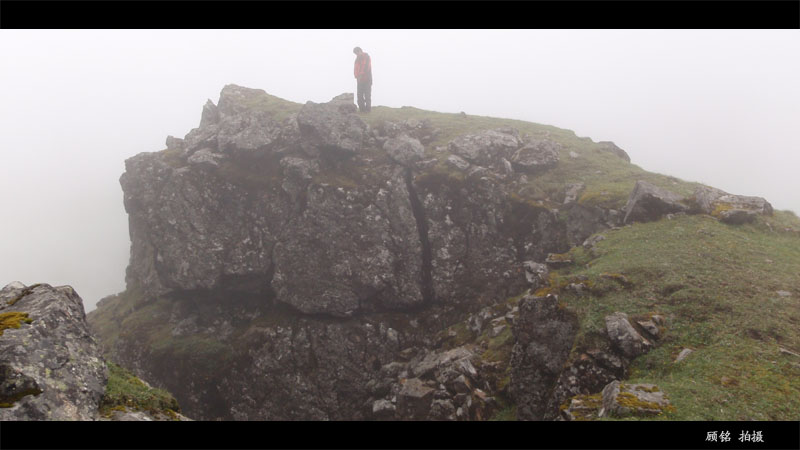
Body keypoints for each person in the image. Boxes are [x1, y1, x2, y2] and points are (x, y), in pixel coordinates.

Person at [353, 47, 372, 113]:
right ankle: (362, 110)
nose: (357, 54)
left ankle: (368, 110)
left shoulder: (367, 57)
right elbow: (355, 69)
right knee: (359, 95)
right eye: (356, 54)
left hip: (367, 80)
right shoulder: (357, 60)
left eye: (357, 52)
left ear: (360, 51)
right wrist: (356, 76)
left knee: (367, 95)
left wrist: (360, 75)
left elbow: (366, 67)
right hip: (359, 80)